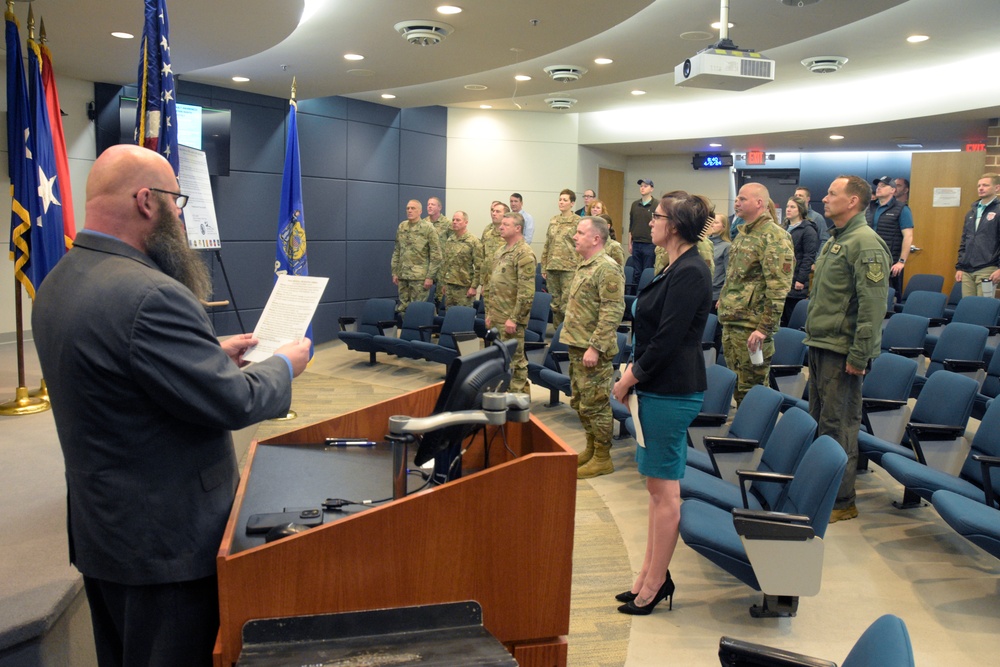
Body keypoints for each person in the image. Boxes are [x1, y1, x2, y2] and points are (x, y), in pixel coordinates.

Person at [31, 144, 312, 667]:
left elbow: (123, 374)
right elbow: (234, 401)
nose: (181, 213)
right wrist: (285, 364)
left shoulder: (57, 281)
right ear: (145, 201)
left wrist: (208, 354)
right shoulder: (152, 294)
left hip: (104, 532)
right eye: (175, 200)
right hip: (167, 546)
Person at [611, 193, 712, 615]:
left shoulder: (691, 270)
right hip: (657, 387)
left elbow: (669, 339)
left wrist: (630, 377)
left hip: (671, 391)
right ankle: (647, 575)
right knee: (655, 490)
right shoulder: (673, 265)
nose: (649, 223)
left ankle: (655, 583)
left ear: (673, 225)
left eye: (656, 217)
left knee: (665, 491)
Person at [805, 175, 889, 523]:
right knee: (819, 422)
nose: (824, 198)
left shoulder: (865, 242)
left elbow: (872, 306)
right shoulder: (837, 239)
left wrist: (860, 354)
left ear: (853, 200)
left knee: (839, 426)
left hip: (842, 350)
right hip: (822, 342)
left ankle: (841, 500)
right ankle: (818, 489)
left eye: (832, 193)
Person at [717, 183, 795, 406]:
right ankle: (744, 433)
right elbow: (735, 277)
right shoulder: (743, 233)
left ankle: (758, 437)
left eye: (742, 199)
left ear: (759, 203)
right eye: (737, 199)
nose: (736, 203)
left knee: (753, 390)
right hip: (733, 322)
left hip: (752, 328)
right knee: (738, 387)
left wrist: (764, 328)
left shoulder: (774, 236)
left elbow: (778, 288)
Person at [563, 217, 625, 479]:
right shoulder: (585, 264)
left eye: (580, 232)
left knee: (596, 404)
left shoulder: (607, 268)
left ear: (596, 238)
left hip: (592, 350)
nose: (574, 236)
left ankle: (602, 457)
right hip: (577, 345)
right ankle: (591, 448)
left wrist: (596, 348)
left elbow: (613, 310)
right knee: (581, 402)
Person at [484, 212, 537, 393]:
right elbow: (493, 285)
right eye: (501, 224)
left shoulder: (524, 253)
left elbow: (526, 292)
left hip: (511, 320)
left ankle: (520, 403)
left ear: (517, 228)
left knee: (516, 362)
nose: (501, 227)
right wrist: (489, 314)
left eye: (506, 224)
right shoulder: (500, 251)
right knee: (499, 360)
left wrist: (515, 318)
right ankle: (503, 398)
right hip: (497, 316)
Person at [391, 199, 442, 315]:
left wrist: (430, 277)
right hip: (403, 276)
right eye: (408, 208)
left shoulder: (428, 228)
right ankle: (407, 332)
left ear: (420, 211)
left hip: (419, 278)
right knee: (403, 309)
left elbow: (436, 255)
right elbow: (397, 251)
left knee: (417, 310)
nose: (409, 210)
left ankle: (419, 333)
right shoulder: (402, 226)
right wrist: (395, 272)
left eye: (413, 208)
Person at [865, 176, 913, 297]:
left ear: (893, 190)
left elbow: (908, 236)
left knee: (887, 295)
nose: (879, 188)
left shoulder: (902, 209)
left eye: (883, 186)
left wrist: (901, 261)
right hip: (868, 258)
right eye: (878, 186)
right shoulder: (869, 207)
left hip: (889, 260)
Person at [541, 189, 582, 328]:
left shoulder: (578, 221)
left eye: (565, 200)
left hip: (570, 267)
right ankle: (557, 333)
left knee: (567, 303)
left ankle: (567, 333)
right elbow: (547, 243)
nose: (561, 202)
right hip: (552, 266)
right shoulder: (553, 220)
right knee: (554, 303)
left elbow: (581, 245)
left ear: (572, 203)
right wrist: (544, 265)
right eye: (560, 199)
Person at [955, 173, 1000, 297]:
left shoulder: (998, 210)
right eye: (979, 185)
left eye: (985, 185)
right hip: (967, 269)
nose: (981, 188)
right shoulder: (972, 212)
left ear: (997, 188)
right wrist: (960, 267)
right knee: (968, 306)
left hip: (988, 268)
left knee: (983, 307)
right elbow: (965, 240)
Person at [782, 195, 820, 327]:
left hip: (796, 278)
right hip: (782, 278)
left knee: (791, 316)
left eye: (792, 207)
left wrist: (801, 279)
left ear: (800, 210)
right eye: (787, 206)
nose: (788, 209)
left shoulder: (808, 230)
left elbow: (808, 256)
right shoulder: (784, 228)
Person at [440, 210, 482, 308]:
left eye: (458, 220)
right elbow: (446, 263)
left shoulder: (473, 241)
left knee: (463, 318)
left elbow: (479, 266)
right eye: (453, 220)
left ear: (466, 222)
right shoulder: (450, 240)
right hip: (450, 286)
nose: (454, 222)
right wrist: (444, 283)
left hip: (464, 288)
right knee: (450, 316)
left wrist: (474, 287)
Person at [629, 179, 657, 284]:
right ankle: (636, 296)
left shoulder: (656, 204)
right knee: (637, 273)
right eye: (641, 186)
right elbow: (631, 225)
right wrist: (630, 243)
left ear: (652, 189)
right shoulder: (635, 204)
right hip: (636, 242)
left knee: (647, 271)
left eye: (645, 186)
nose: (642, 188)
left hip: (650, 244)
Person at [478, 201, 508, 294]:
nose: (494, 213)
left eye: (498, 211)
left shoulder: (509, 236)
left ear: (506, 215)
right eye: (493, 211)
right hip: (488, 284)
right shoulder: (488, 235)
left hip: (504, 285)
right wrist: (483, 283)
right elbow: (483, 259)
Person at [591, 199, 625, 267]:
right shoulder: (593, 244)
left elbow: (619, 271)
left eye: (599, 225)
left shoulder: (615, 247)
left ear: (608, 226)